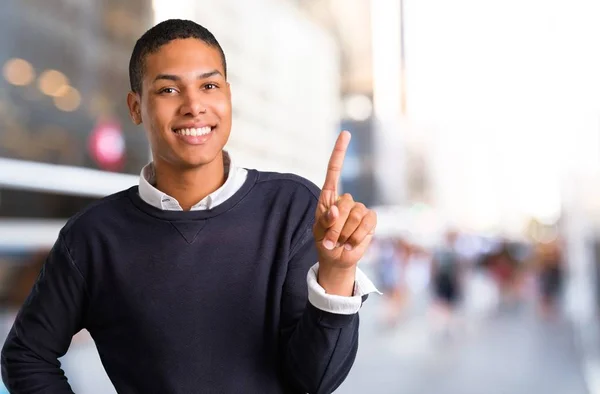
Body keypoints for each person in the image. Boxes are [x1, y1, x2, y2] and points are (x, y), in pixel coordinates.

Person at [0, 19, 379, 394]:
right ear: (136, 107)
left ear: (228, 96)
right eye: (168, 89)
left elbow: (315, 380)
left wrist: (336, 271)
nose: (194, 106)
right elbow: (26, 355)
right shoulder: (93, 237)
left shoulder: (294, 207)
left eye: (209, 85)